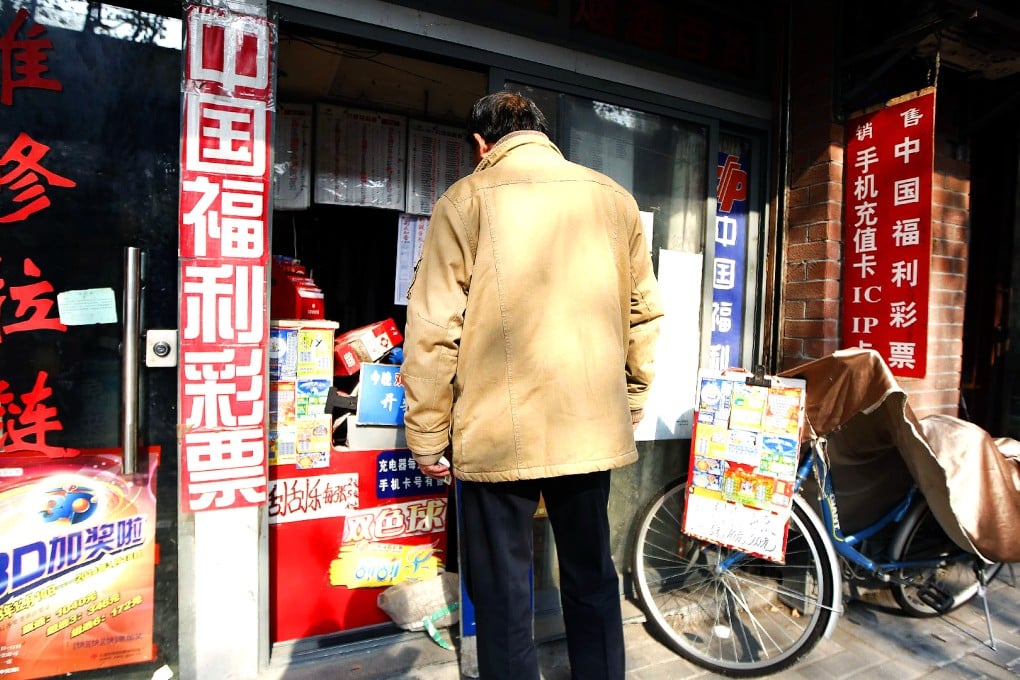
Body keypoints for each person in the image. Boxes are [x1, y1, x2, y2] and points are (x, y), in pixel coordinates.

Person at [400, 91, 663, 680]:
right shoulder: (613, 200)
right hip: (588, 427)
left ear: (480, 143)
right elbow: (644, 314)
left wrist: (426, 435)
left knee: (502, 596)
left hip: (496, 434)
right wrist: (633, 398)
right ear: (541, 132)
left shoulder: (464, 201)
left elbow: (434, 329)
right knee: (593, 579)